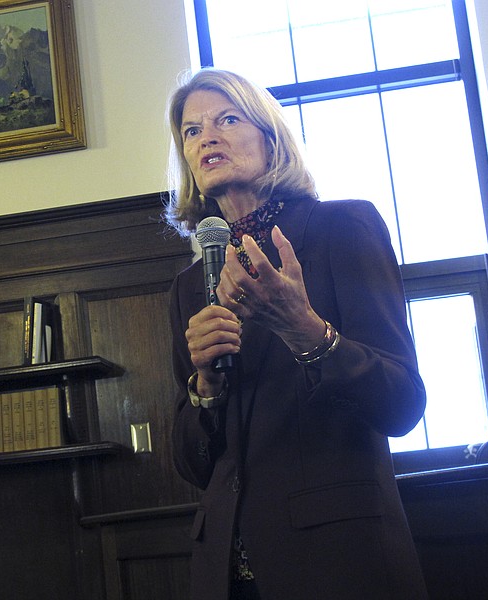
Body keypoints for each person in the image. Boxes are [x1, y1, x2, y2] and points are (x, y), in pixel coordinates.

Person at [165, 68, 429, 600]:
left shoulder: (342, 229)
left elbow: (402, 403)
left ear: (271, 138)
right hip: (226, 573)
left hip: (337, 562)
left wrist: (307, 332)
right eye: (191, 131)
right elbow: (192, 465)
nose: (206, 137)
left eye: (227, 119)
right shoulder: (190, 285)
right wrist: (206, 391)